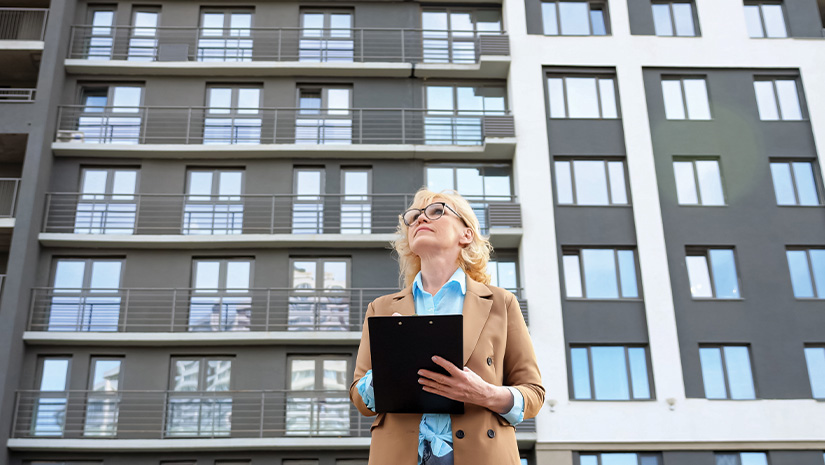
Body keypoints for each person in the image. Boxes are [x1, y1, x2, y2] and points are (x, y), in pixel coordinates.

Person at [349, 188, 545, 465]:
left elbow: (533, 394)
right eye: (414, 216)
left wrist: (487, 394)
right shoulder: (381, 309)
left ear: (466, 234)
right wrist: (388, 365)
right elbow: (360, 398)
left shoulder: (501, 303)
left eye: (436, 211)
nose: (420, 219)